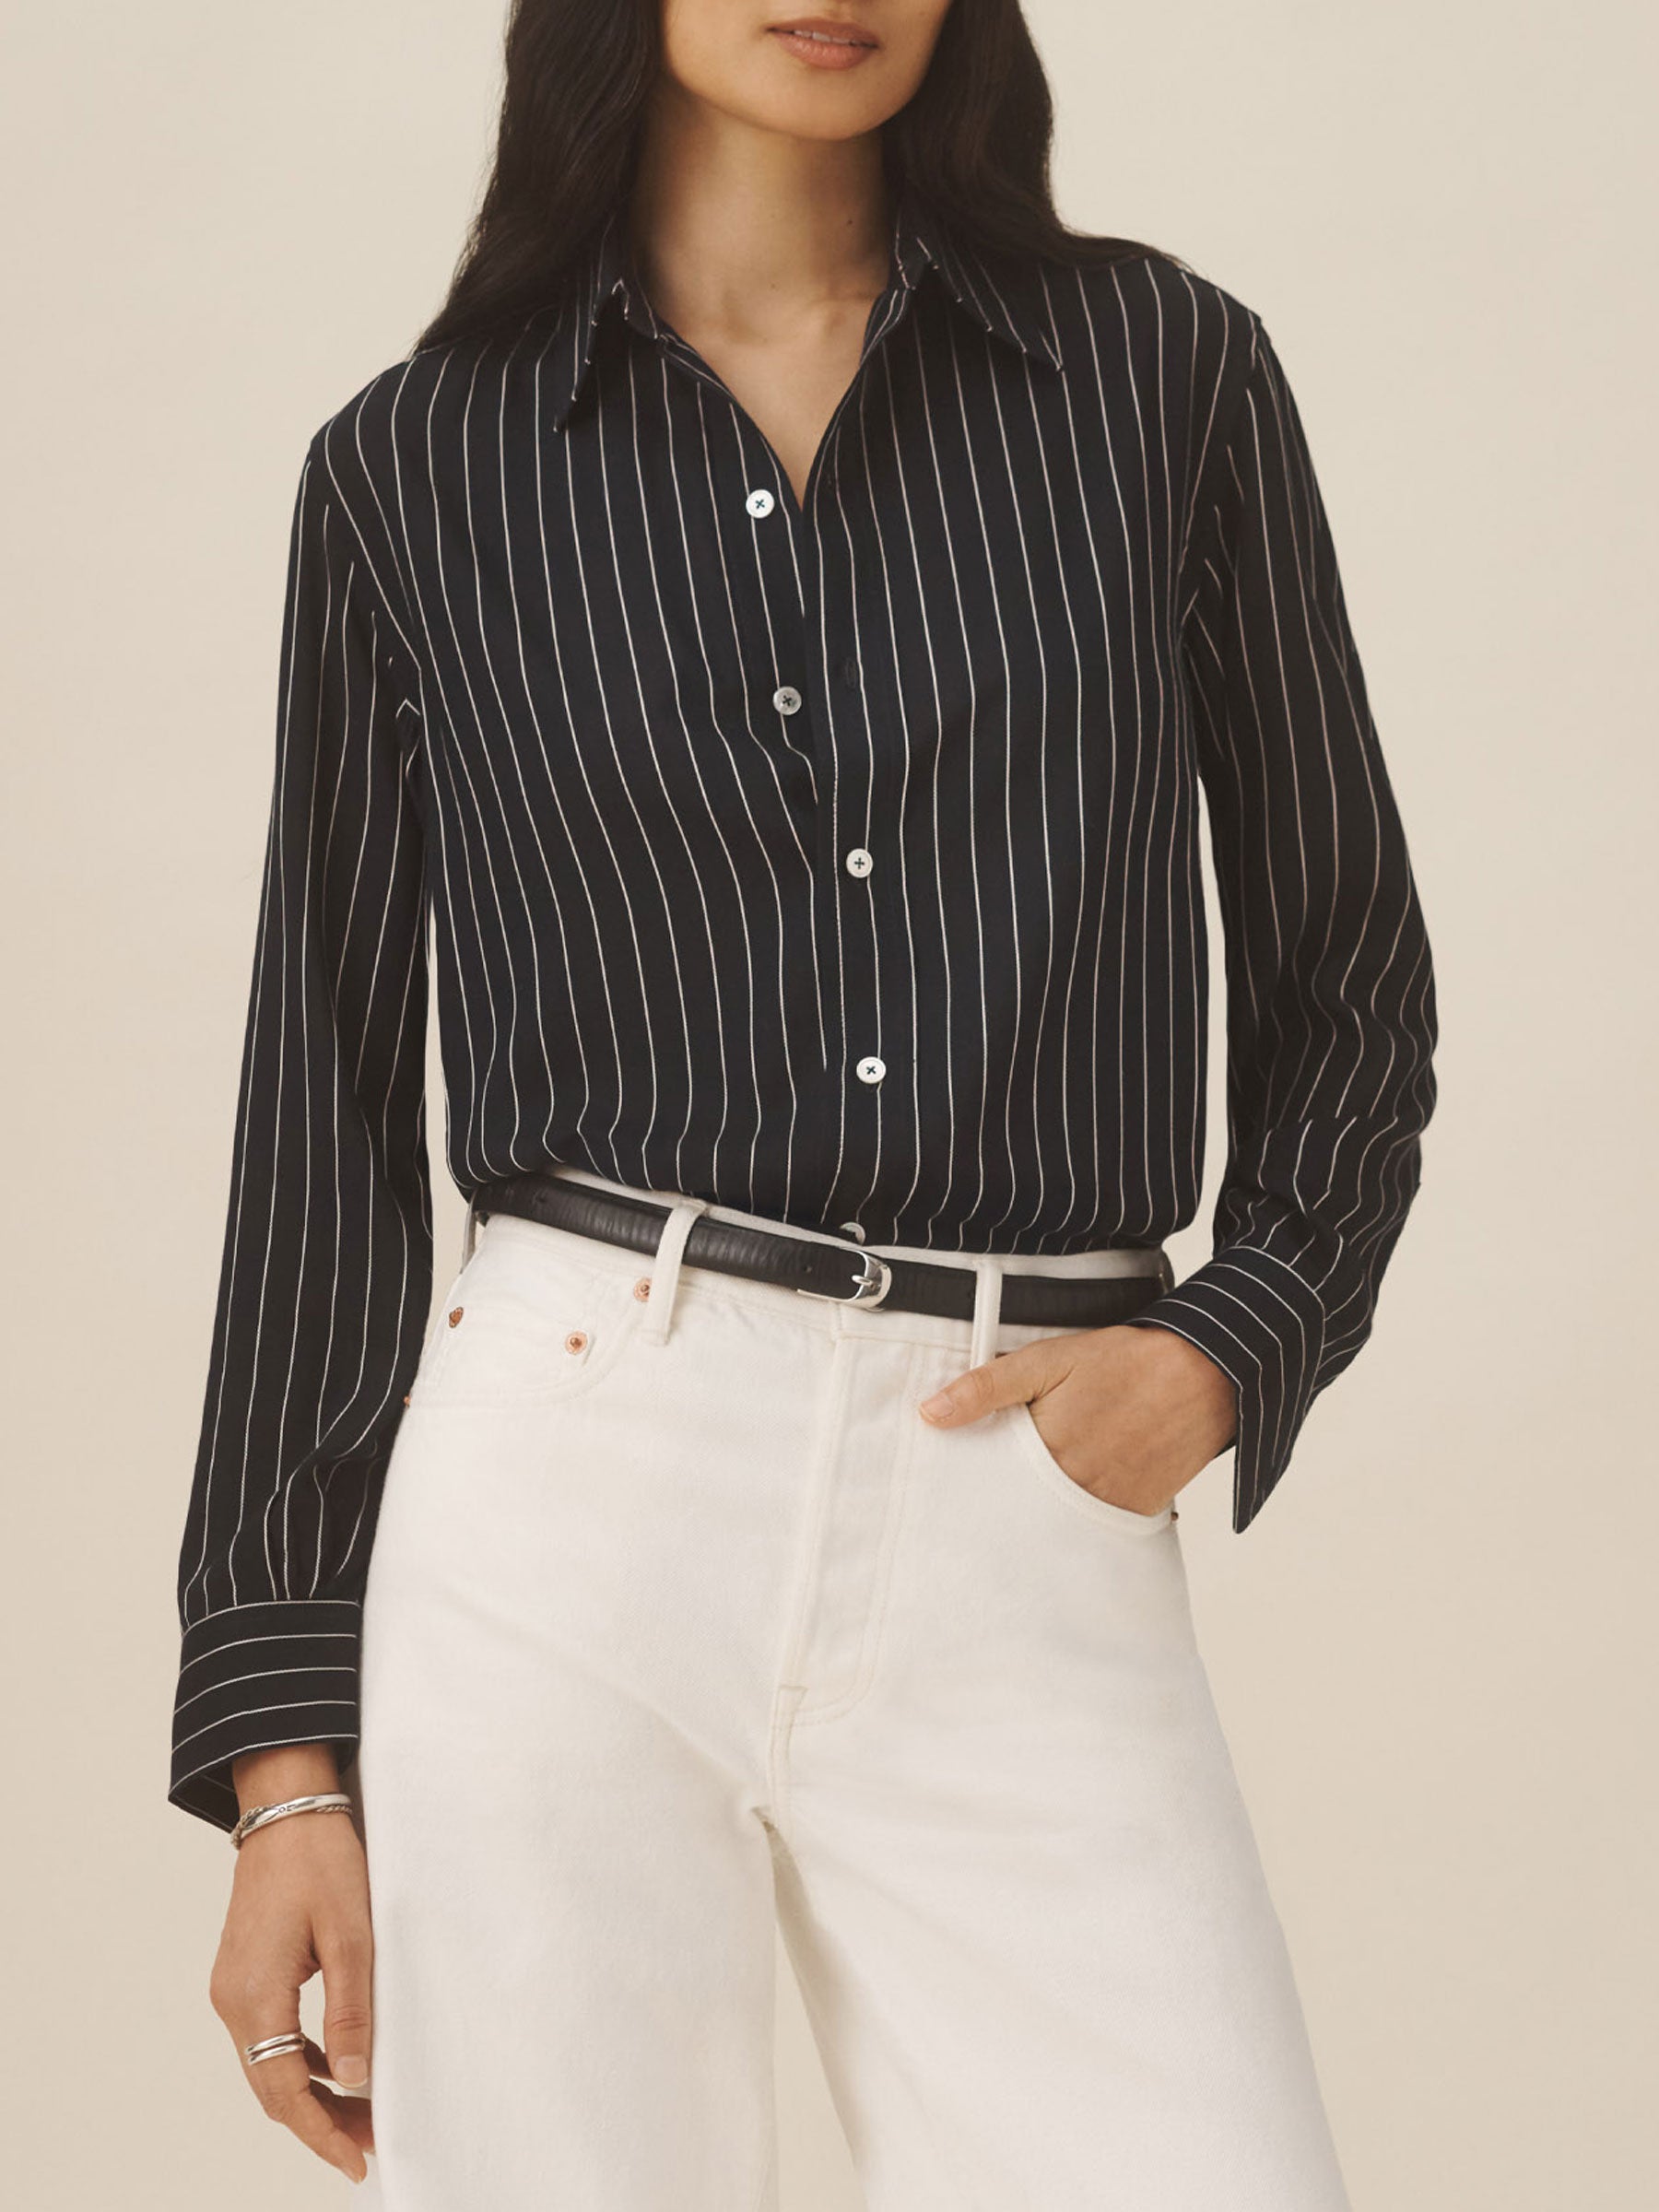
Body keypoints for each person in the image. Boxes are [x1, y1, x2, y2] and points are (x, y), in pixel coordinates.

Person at [169, 2, 1439, 2204]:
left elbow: (1351, 970)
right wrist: (287, 1769)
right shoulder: (420, 464)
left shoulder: (1161, 378)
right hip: (567, 1480)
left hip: (1021, 1483)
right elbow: (326, 1107)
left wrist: (1232, 1345)